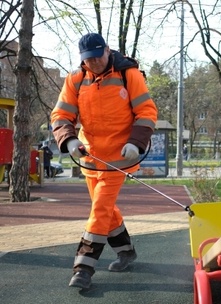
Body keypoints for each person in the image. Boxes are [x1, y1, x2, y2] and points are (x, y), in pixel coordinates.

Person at [51, 33, 158, 289]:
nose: (94, 62)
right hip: (90, 159)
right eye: (88, 59)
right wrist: (69, 140)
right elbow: (61, 114)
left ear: (108, 50)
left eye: (98, 56)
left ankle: (83, 268)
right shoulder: (76, 79)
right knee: (106, 211)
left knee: (99, 210)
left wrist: (136, 142)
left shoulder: (128, 75)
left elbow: (147, 111)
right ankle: (126, 251)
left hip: (120, 158)